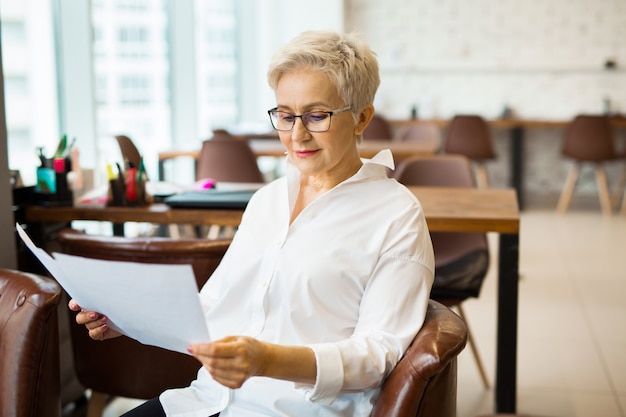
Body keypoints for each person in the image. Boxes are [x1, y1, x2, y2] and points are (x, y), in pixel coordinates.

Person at [69, 30, 434, 417]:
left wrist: (268, 361)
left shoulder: (396, 216)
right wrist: (127, 321)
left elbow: (378, 356)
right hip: (206, 401)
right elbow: (214, 310)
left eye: (316, 115)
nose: (296, 134)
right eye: (285, 115)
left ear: (361, 117)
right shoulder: (267, 200)